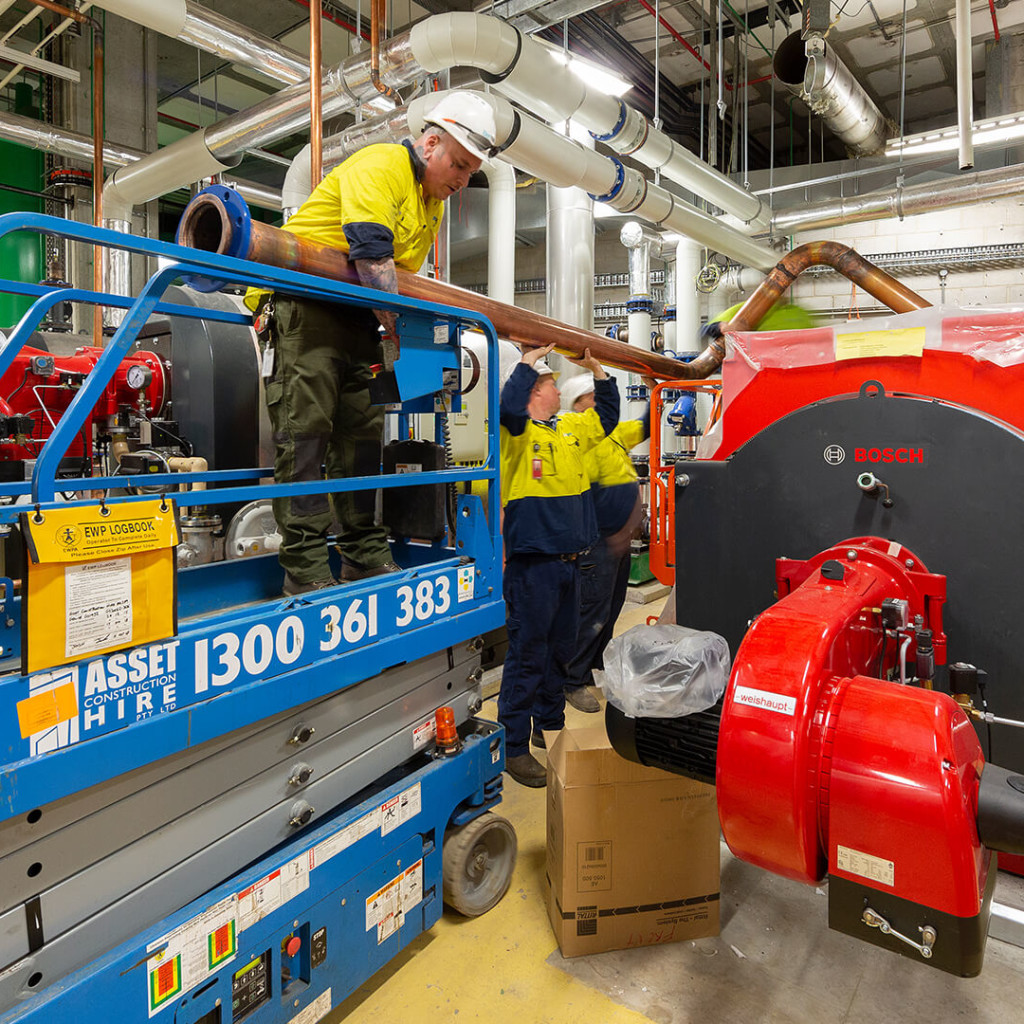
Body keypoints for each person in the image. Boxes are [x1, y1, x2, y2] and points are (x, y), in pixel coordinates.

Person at [264, 91, 498, 595]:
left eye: (469, 170)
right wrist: (397, 335)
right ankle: (304, 566)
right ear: (430, 143)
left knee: (362, 440)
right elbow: (372, 258)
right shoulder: (384, 164)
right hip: (308, 302)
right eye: (457, 164)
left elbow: (403, 276)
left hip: (360, 317)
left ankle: (363, 553)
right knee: (306, 435)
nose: (461, 179)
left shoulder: (430, 202)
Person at [498, 343, 619, 787]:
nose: (554, 388)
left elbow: (605, 417)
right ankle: (511, 745)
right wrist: (526, 363)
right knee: (528, 654)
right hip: (535, 567)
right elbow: (509, 406)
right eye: (548, 382)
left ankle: (546, 725)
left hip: (572, 562)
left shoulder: (568, 428)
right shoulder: (514, 434)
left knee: (560, 650)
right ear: (534, 391)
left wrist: (598, 369)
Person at [558, 372, 650, 712]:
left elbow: (646, 426)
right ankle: (573, 680)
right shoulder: (578, 441)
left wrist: (655, 388)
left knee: (610, 611)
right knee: (591, 615)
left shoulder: (612, 436)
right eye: (593, 399)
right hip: (598, 543)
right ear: (579, 405)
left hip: (619, 543)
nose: (601, 407)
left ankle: (596, 669)